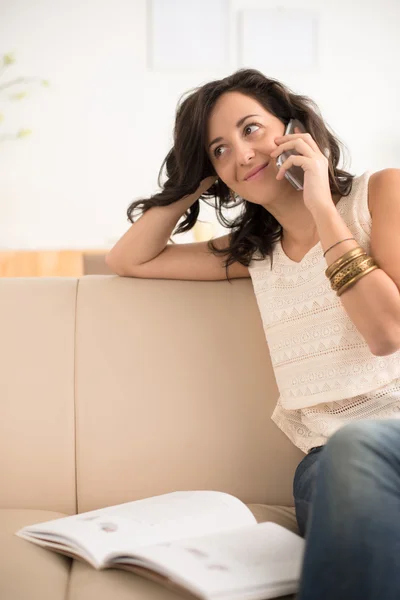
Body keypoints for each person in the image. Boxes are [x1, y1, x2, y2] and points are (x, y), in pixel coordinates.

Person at [106, 68, 400, 599]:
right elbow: (129, 258)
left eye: (250, 129)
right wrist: (192, 179)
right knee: (351, 457)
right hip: (331, 463)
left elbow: (387, 330)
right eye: (219, 150)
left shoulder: (381, 193)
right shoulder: (252, 255)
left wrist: (319, 206)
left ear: (292, 127)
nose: (241, 154)